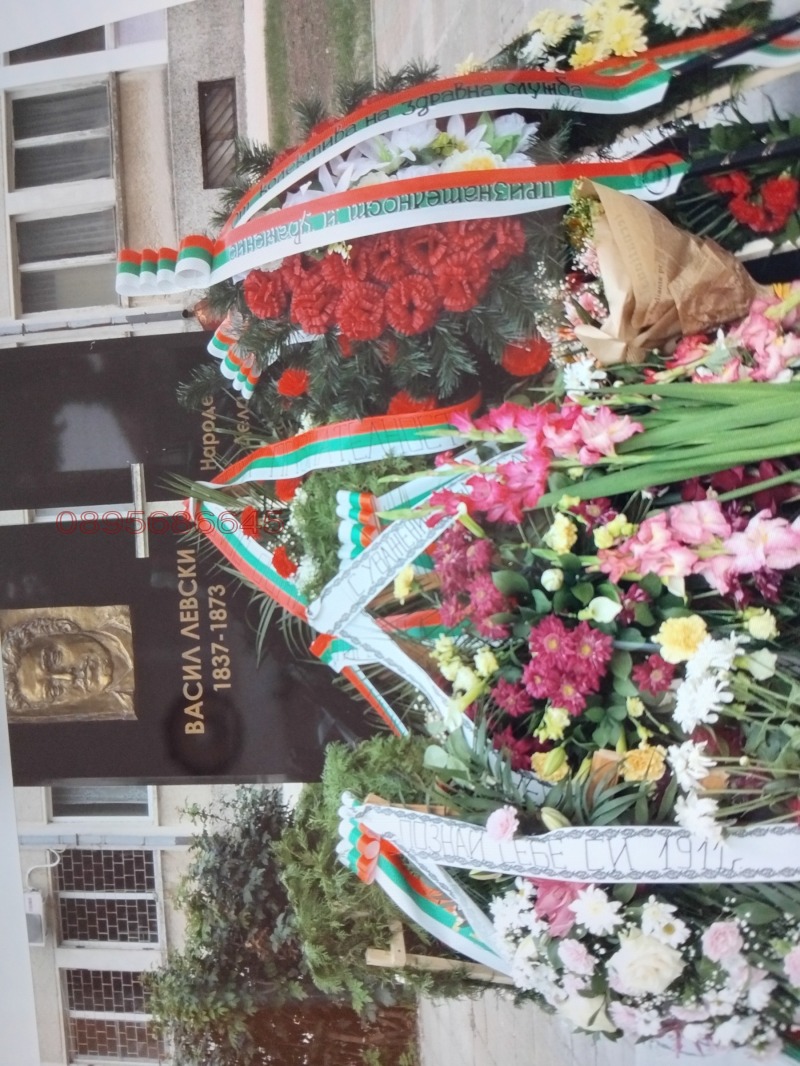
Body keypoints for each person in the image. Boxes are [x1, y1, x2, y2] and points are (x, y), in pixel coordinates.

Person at [2, 613, 135, 721]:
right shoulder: (125, 704)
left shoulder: (129, 624)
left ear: (63, 628)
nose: (69, 677)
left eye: (54, 659)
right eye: (54, 690)